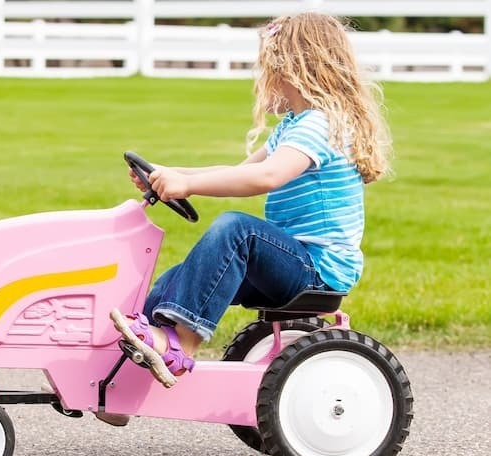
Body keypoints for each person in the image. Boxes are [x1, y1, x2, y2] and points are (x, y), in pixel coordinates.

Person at [111, 12, 392, 389]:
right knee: (171, 284)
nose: (261, 77)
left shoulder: (321, 124)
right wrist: (172, 172)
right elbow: (239, 168)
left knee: (237, 230)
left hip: (317, 267)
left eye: (265, 67)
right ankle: (124, 385)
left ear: (291, 68)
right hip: (291, 262)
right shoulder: (294, 125)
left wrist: (188, 186)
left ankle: (182, 346)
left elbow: (266, 177)